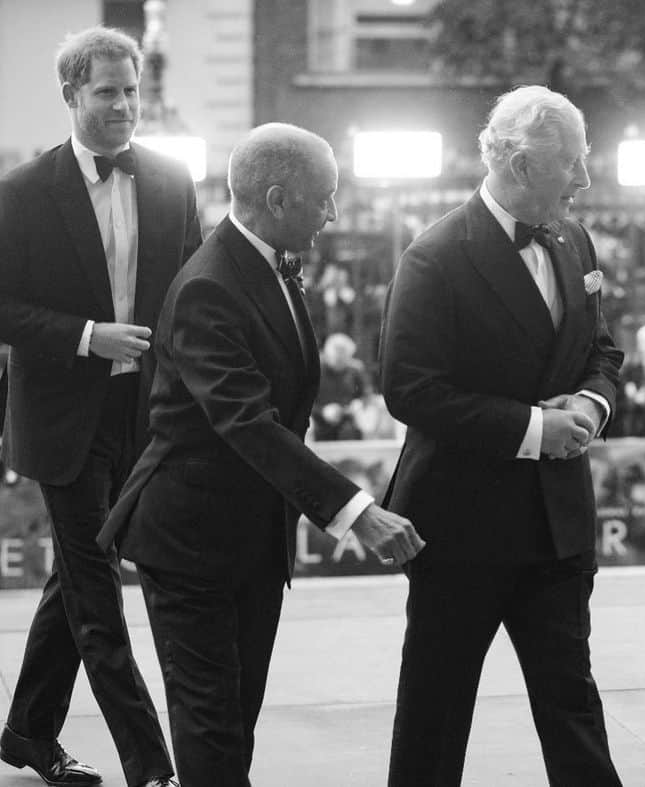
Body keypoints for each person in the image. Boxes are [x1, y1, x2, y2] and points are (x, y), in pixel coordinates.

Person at [96, 123, 424, 786]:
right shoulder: (208, 287)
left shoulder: (269, 268)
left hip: (251, 537)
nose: (332, 214)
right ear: (276, 200)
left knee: (234, 727)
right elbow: (248, 421)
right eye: (323, 199)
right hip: (189, 542)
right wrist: (357, 510)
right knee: (213, 736)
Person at [380, 85, 624, 786]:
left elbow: (602, 351)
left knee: (572, 700)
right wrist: (532, 428)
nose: (583, 179)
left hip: (558, 524)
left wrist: (588, 405)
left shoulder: (575, 237)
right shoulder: (435, 255)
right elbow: (410, 389)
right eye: (571, 164)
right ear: (519, 165)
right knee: (437, 704)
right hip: (460, 526)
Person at [0, 27, 202, 787]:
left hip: (144, 416)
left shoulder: (170, 181)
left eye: (131, 91)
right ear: (71, 97)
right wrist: (88, 336)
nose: (123, 105)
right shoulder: (20, 193)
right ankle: (153, 767)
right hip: (61, 419)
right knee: (98, 595)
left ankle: (26, 731)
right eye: (107, 92)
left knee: (79, 578)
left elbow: (193, 288)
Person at [312, 332, 372, 440]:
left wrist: (359, 404)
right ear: (327, 355)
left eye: (344, 358)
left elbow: (367, 395)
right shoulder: (315, 368)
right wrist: (322, 411)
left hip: (348, 419)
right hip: (319, 420)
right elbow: (304, 399)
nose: (340, 362)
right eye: (337, 358)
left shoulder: (356, 369)